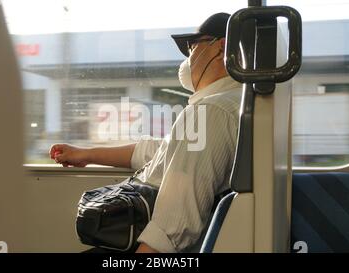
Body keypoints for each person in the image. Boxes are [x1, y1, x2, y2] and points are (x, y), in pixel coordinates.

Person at [50, 12, 242, 253]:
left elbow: (176, 222)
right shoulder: (227, 104)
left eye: (193, 47)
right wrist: (86, 155)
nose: (188, 59)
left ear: (221, 48)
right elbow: (158, 152)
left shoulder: (212, 111)